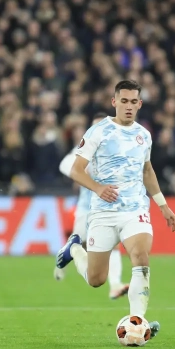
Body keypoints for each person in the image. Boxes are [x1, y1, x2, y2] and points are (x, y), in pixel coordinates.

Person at [55, 80, 175, 339]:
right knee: (96, 279)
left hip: (135, 210)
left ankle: (137, 322)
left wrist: (163, 205)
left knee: (140, 256)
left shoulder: (144, 135)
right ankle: (74, 249)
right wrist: (98, 188)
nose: (128, 106)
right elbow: (76, 170)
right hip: (103, 212)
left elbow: (147, 171)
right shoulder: (98, 132)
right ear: (114, 102)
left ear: (140, 104)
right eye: (124, 101)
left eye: (133, 102)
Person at [54, 112, 129, 300]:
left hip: (106, 208)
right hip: (86, 209)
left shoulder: (116, 148)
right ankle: (62, 260)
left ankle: (115, 285)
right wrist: (80, 173)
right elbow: (65, 165)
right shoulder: (85, 147)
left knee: (112, 245)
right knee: (79, 243)